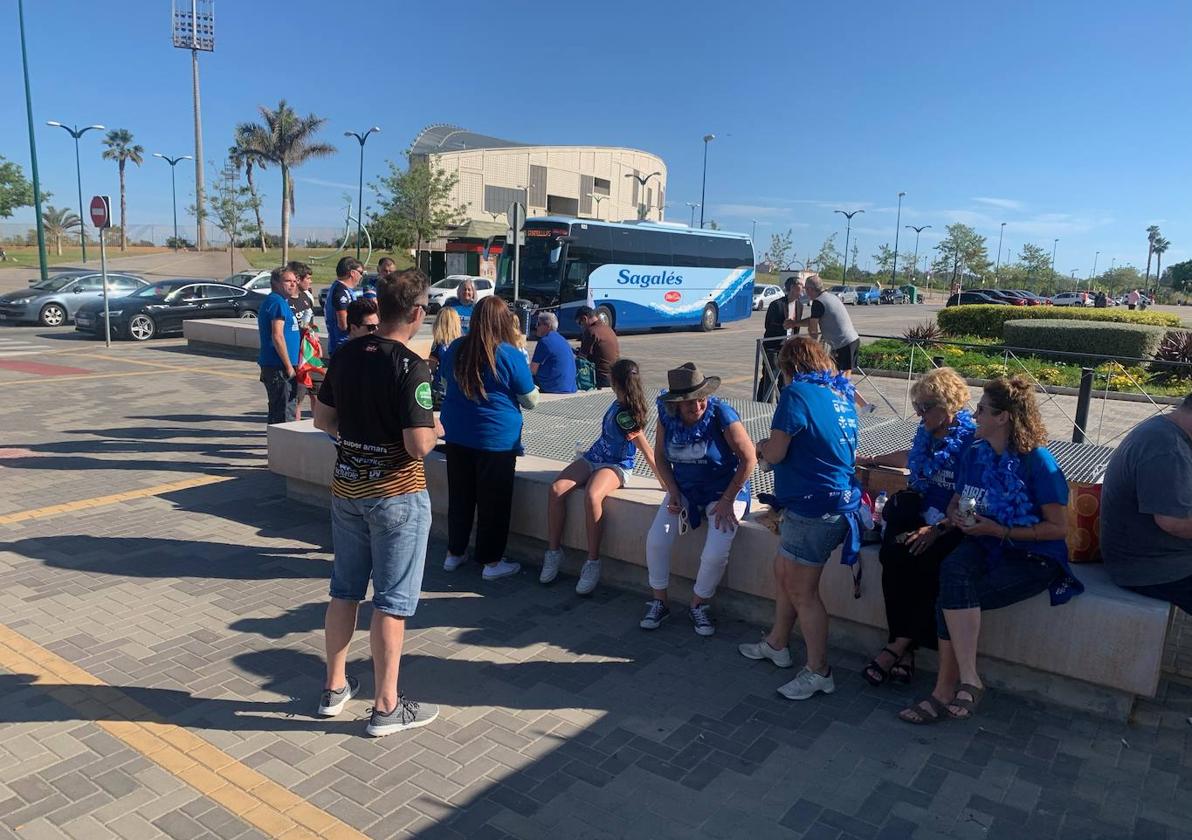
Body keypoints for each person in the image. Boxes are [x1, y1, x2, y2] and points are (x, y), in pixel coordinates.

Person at [898, 376, 1083, 724]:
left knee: (949, 599)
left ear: (1003, 417)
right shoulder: (975, 453)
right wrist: (954, 516)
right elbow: (960, 501)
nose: (975, 414)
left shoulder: (1038, 462)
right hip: (984, 541)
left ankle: (943, 690)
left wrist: (999, 529)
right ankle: (968, 681)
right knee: (952, 573)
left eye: (981, 409)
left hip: (1031, 557)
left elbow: (1058, 528)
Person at [312, 268, 441, 737]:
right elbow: (418, 445)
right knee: (391, 601)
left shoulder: (345, 355)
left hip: (347, 490)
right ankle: (386, 706)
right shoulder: (410, 366)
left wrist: (359, 436)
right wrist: (435, 427)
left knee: (343, 590)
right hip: (395, 495)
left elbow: (322, 419)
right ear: (416, 313)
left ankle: (333, 687)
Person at [742, 338, 864, 700]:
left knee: (802, 591)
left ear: (789, 367)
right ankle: (778, 643)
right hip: (832, 502)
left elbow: (777, 453)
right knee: (784, 573)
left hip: (815, 508)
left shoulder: (795, 394)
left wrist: (761, 446)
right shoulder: (841, 395)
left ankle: (819, 670)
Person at [856, 368, 976, 686]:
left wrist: (937, 528)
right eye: (918, 407)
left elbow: (973, 501)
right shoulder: (927, 433)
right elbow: (912, 457)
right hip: (921, 512)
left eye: (924, 408)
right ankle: (905, 649)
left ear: (946, 406)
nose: (918, 414)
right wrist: (871, 459)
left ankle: (896, 646)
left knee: (926, 565)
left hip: (953, 524)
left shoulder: (971, 442)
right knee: (892, 556)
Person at [642, 363, 756, 636]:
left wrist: (729, 498)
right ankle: (660, 601)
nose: (698, 406)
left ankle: (698, 604)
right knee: (657, 540)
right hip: (685, 488)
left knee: (716, 550)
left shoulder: (721, 414)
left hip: (724, 489)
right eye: (690, 403)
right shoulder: (666, 416)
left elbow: (749, 458)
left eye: (702, 399)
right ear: (677, 405)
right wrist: (671, 490)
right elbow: (659, 457)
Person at [440, 296, 539, 580]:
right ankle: (492, 562)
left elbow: (446, 384)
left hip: (457, 434)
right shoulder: (508, 354)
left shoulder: (456, 348)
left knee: (460, 496)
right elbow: (530, 399)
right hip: (496, 439)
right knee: (493, 502)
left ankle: (454, 553)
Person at [543, 359, 659, 594]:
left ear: (616, 382)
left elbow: (646, 450)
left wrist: (665, 482)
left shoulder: (626, 416)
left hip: (616, 464)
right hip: (594, 456)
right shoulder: (618, 403)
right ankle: (553, 552)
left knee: (592, 496)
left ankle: (592, 562)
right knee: (556, 490)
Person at [1100, 393, 1192, 612]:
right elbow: (1174, 523)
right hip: (1150, 568)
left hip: (1156, 557)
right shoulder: (1167, 448)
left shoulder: (1169, 429)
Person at [793, 275, 872, 413]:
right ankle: (864, 405)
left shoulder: (818, 302)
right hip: (852, 340)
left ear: (811, 289)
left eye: (806, 289)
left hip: (843, 344)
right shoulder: (830, 297)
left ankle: (849, 408)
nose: (805, 292)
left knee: (839, 379)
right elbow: (814, 319)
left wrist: (814, 347)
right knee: (842, 378)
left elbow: (812, 326)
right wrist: (795, 323)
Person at [257, 265, 300, 424]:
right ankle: (284, 447)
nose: (293, 284)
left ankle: (279, 446)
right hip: (279, 367)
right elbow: (277, 336)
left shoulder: (279, 301)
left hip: (278, 366)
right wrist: (289, 366)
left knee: (279, 410)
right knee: (284, 413)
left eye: (295, 281)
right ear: (275, 282)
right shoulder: (277, 302)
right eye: (288, 281)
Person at [757, 276, 804, 401]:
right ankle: (763, 403)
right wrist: (783, 326)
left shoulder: (800, 305)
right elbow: (768, 325)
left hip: (788, 348)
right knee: (769, 376)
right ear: (793, 288)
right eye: (800, 289)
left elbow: (796, 328)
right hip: (773, 347)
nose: (802, 292)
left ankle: (782, 403)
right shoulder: (776, 305)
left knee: (786, 377)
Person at [287, 261, 318, 421]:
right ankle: (295, 427)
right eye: (308, 278)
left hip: (310, 353)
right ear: (298, 279)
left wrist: (313, 332)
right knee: (298, 397)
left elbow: (311, 323)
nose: (310, 282)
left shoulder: (307, 297)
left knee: (317, 394)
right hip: (296, 355)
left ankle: (319, 426)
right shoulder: (287, 302)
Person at [531, 311, 578, 394]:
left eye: (538, 324)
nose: (536, 327)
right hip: (570, 387)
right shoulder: (562, 340)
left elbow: (533, 370)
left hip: (553, 387)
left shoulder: (544, 341)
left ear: (547, 326)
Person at [325, 257, 365, 355]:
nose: (361, 276)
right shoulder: (340, 291)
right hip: (342, 346)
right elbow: (343, 324)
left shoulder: (344, 289)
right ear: (352, 272)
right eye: (361, 272)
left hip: (346, 345)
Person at [575, 305, 620, 388]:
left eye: (579, 323)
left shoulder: (590, 332)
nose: (580, 327)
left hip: (601, 378)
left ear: (585, 319)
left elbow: (581, 358)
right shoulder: (608, 328)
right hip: (614, 376)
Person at [428, 306, 462, 408]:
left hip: (441, 391)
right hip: (458, 390)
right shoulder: (462, 344)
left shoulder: (438, 344)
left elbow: (432, 367)